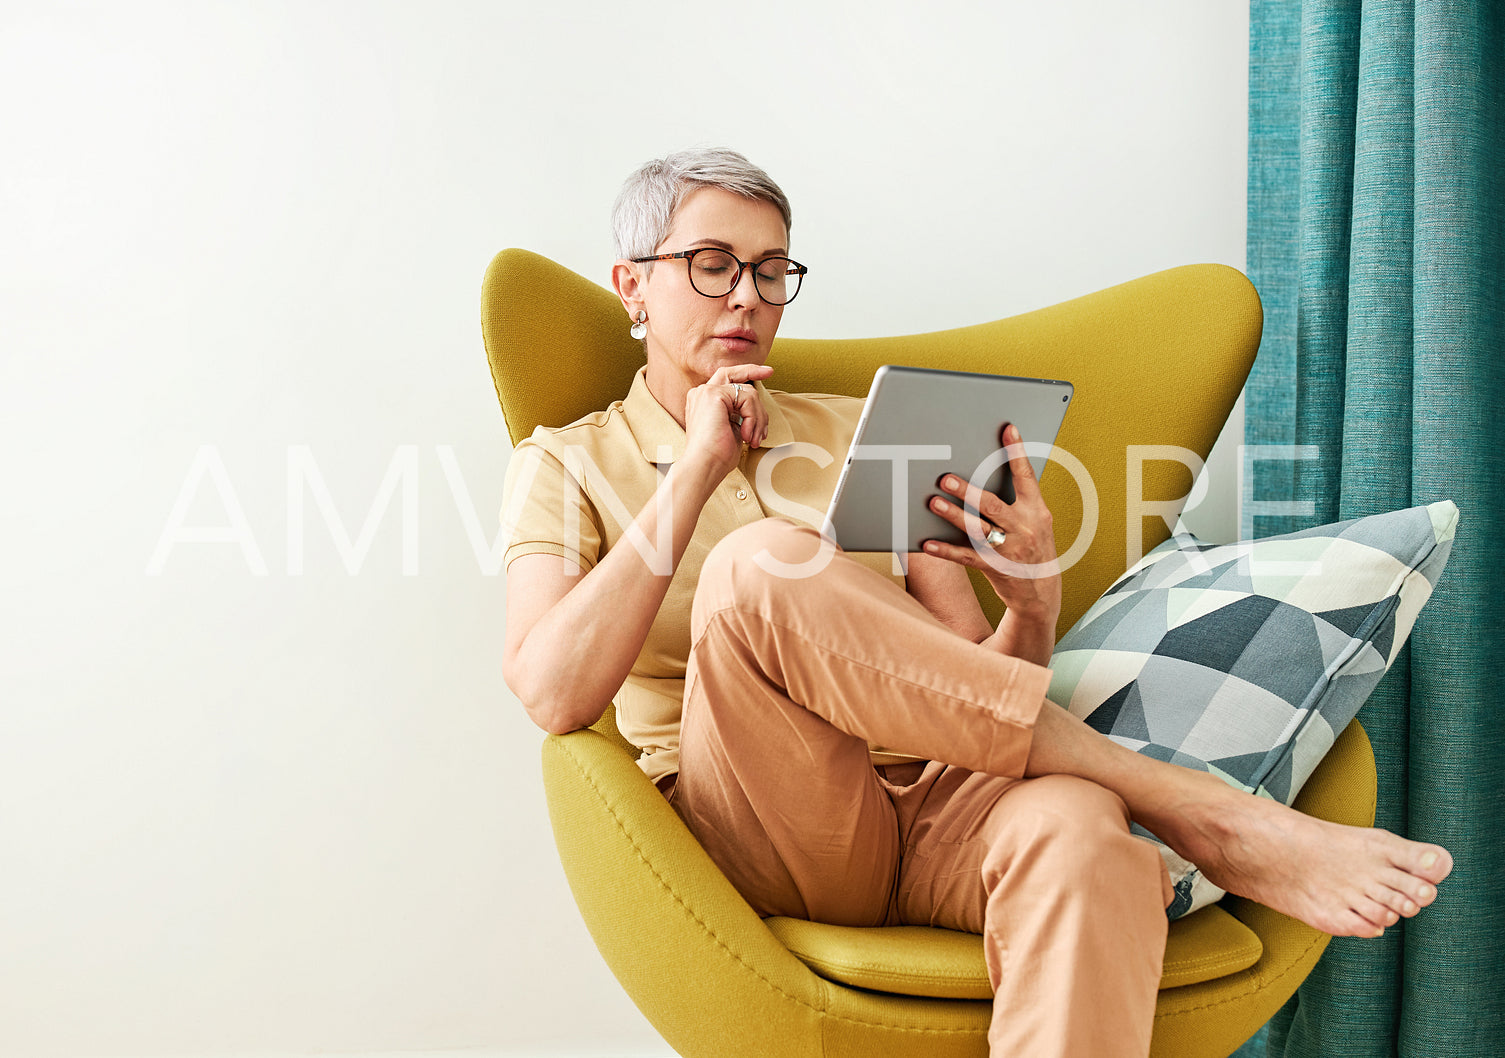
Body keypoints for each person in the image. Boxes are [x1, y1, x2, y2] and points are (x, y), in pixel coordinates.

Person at [500, 148, 1453, 1057]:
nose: (747, 296)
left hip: (936, 809)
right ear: (632, 288)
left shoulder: (858, 430)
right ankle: (1199, 813)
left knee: (1081, 829)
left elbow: (980, 690)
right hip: (768, 823)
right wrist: (697, 471)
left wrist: (1032, 605)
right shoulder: (564, 462)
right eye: (712, 266)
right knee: (758, 567)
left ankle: (1141, 807)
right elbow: (551, 695)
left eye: (771, 269)